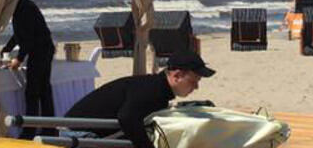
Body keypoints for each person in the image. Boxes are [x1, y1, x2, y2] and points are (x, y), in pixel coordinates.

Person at [65, 50, 214, 148]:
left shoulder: (156, 88)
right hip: (77, 135)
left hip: (83, 131)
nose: (196, 87)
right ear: (177, 75)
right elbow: (127, 118)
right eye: (193, 81)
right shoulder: (152, 90)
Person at [1, 0, 56, 139]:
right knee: (44, 91)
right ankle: (49, 129)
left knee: (33, 92)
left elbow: (28, 38)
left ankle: (30, 131)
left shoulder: (24, 9)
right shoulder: (20, 6)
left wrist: (19, 59)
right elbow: (19, 34)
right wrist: (6, 49)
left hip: (41, 50)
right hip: (43, 48)